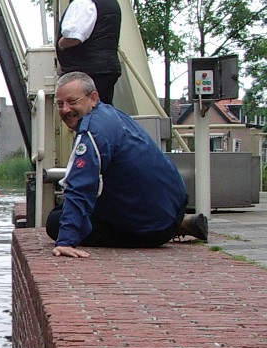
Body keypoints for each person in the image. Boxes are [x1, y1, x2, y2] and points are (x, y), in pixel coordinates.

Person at [45, 72, 209, 258]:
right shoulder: (113, 115)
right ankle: (180, 222)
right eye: (60, 104)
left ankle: (167, 229)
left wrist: (66, 240)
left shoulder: (91, 133)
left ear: (93, 98)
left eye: (72, 101)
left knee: (55, 221)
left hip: (150, 228)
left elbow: (80, 186)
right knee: (70, 209)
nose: (66, 109)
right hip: (172, 206)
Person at [56, 0, 122, 106]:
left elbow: (74, 37)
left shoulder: (84, 1)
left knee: (87, 111)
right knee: (102, 110)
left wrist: (60, 44)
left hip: (88, 71)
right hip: (107, 67)